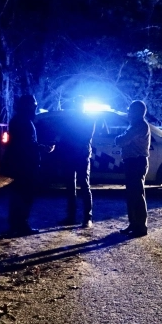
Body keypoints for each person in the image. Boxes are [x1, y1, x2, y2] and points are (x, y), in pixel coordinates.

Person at [5, 94, 54, 236]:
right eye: (33, 104)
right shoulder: (23, 121)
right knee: (25, 195)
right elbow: (27, 144)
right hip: (25, 164)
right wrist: (43, 148)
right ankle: (21, 225)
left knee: (19, 195)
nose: (35, 106)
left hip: (22, 162)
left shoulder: (20, 119)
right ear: (27, 105)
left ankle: (16, 224)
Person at [115, 100, 151, 237]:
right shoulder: (135, 125)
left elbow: (122, 140)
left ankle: (140, 227)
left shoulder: (139, 125)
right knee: (132, 195)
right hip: (132, 162)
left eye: (130, 110)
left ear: (137, 111)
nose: (128, 112)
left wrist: (119, 139)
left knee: (136, 194)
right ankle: (133, 224)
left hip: (136, 162)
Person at [58, 96, 95, 228]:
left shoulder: (83, 120)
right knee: (76, 186)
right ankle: (78, 217)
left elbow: (82, 138)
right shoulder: (85, 119)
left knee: (81, 186)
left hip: (79, 156)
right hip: (76, 156)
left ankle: (85, 217)